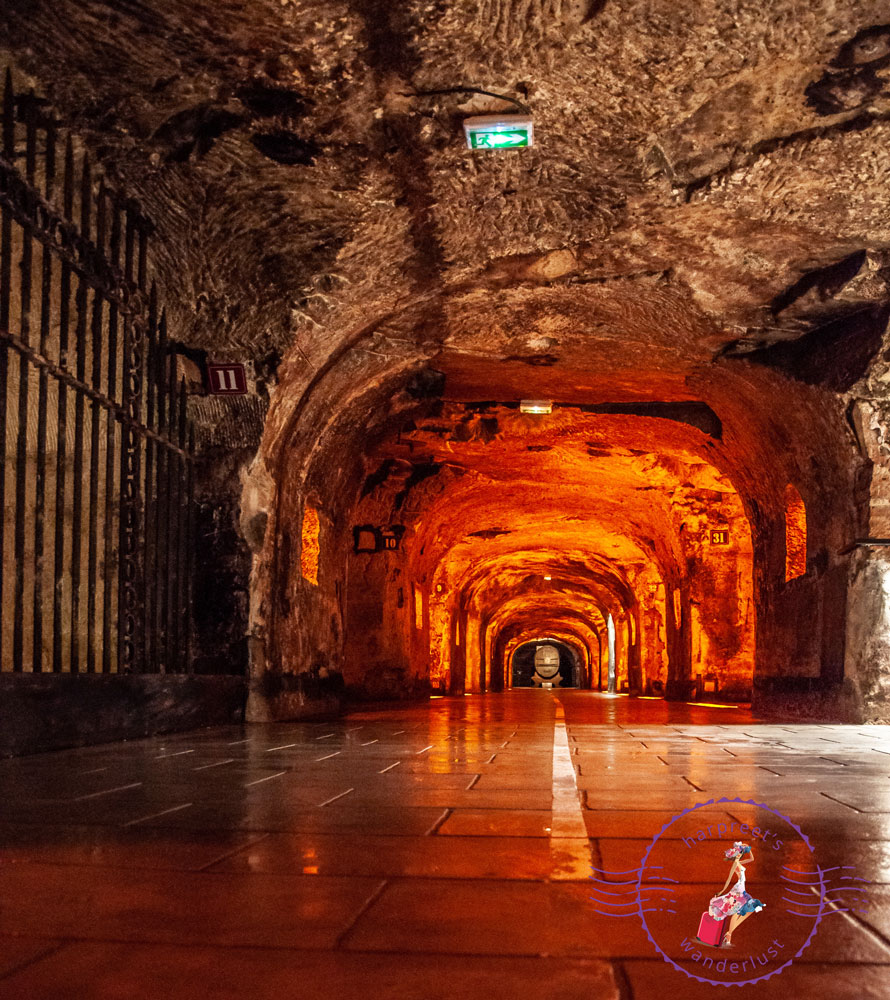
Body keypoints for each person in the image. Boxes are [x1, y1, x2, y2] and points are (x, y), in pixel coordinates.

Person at [708, 841, 765, 947]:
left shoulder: (739, 863)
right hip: (738, 889)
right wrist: (721, 891)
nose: (739, 854)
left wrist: (748, 849)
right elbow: (729, 879)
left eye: (740, 853)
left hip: (742, 888)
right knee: (740, 909)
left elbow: (752, 859)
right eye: (738, 853)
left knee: (751, 909)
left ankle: (729, 933)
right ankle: (729, 934)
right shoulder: (735, 864)